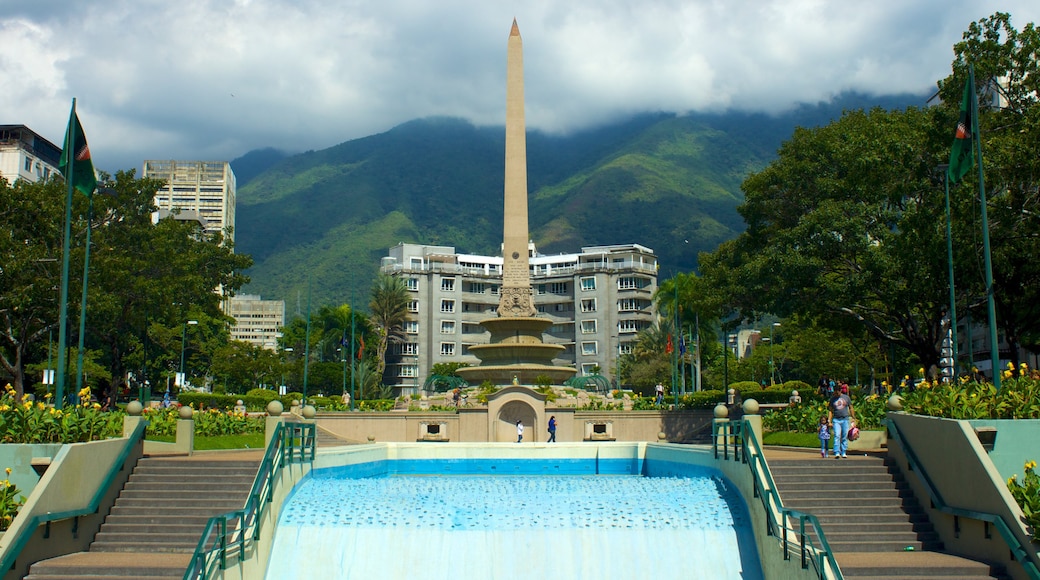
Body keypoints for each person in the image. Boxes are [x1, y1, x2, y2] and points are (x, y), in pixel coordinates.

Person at [828, 385, 855, 459]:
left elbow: (851, 407)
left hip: (845, 419)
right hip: (836, 419)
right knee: (837, 435)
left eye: (837, 392)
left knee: (844, 435)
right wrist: (829, 420)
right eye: (835, 392)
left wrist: (853, 417)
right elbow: (830, 410)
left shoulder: (846, 397)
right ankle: (837, 451)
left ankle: (843, 451)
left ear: (840, 391)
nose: (836, 394)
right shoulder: (832, 399)